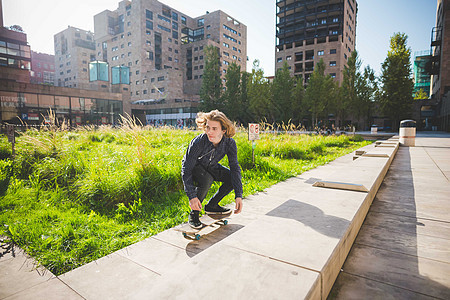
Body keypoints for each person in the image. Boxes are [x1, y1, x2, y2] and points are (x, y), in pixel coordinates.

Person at [181, 110, 243, 229]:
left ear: (223, 130)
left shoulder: (229, 143)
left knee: (231, 178)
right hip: (195, 167)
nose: (209, 132)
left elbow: (235, 168)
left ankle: (212, 206)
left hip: (211, 165)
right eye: (208, 127)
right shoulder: (198, 142)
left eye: (214, 129)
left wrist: (238, 195)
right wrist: (192, 197)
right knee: (207, 180)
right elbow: (187, 169)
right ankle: (194, 214)